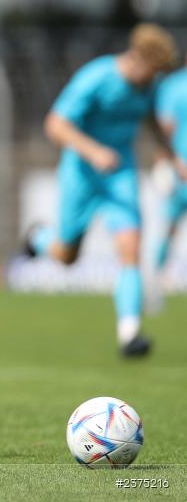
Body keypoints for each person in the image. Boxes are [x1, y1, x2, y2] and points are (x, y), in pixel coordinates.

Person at [23, 24, 180, 357]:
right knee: (67, 256)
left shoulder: (148, 86)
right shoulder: (95, 78)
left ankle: (130, 333)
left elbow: (151, 120)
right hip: (82, 172)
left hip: (120, 172)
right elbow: (56, 125)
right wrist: (93, 151)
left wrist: (170, 155)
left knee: (130, 249)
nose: (153, 80)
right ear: (136, 58)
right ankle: (38, 239)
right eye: (152, 71)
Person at [151, 63, 187, 274]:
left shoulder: (172, 85)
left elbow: (164, 130)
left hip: (178, 168)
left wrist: (163, 161)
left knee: (168, 225)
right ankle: (155, 275)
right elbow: (165, 129)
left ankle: (154, 278)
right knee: (168, 225)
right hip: (179, 170)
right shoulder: (174, 85)